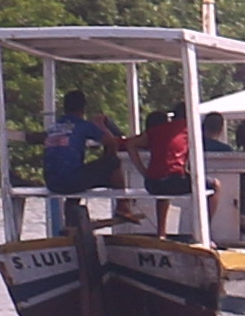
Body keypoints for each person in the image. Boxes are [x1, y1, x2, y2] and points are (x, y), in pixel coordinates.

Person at [39, 90, 114, 220]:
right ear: (83, 108)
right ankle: (124, 205)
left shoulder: (53, 127)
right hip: (70, 182)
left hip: (51, 182)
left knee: (74, 170)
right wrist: (100, 124)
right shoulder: (83, 125)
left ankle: (71, 215)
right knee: (113, 162)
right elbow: (111, 142)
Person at [131, 98, 191, 232]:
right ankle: (204, 232)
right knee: (214, 185)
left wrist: (143, 171)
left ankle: (161, 233)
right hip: (172, 181)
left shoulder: (158, 130)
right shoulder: (187, 128)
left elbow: (130, 144)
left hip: (152, 184)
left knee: (164, 191)